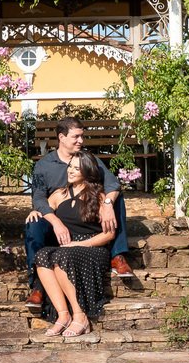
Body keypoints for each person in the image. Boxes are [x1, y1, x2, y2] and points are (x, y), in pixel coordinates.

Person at [24, 117, 133, 309]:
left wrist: (107, 203)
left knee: (116, 198)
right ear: (62, 137)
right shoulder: (44, 166)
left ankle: (118, 254)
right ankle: (38, 287)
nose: (81, 141)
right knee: (33, 224)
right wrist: (55, 222)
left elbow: (112, 183)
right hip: (56, 216)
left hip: (85, 216)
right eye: (76, 136)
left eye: (82, 136)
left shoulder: (89, 160)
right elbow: (39, 198)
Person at [28, 151, 114, 336]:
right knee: (41, 255)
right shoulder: (60, 194)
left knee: (60, 255)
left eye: (77, 168)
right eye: (70, 166)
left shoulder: (98, 196)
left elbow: (109, 234)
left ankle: (80, 315)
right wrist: (34, 213)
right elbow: (44, 211)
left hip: (93, 248)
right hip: (68, 249)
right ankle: (63, 315)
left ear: (87, 171)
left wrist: (81, 245)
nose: (71, 171)